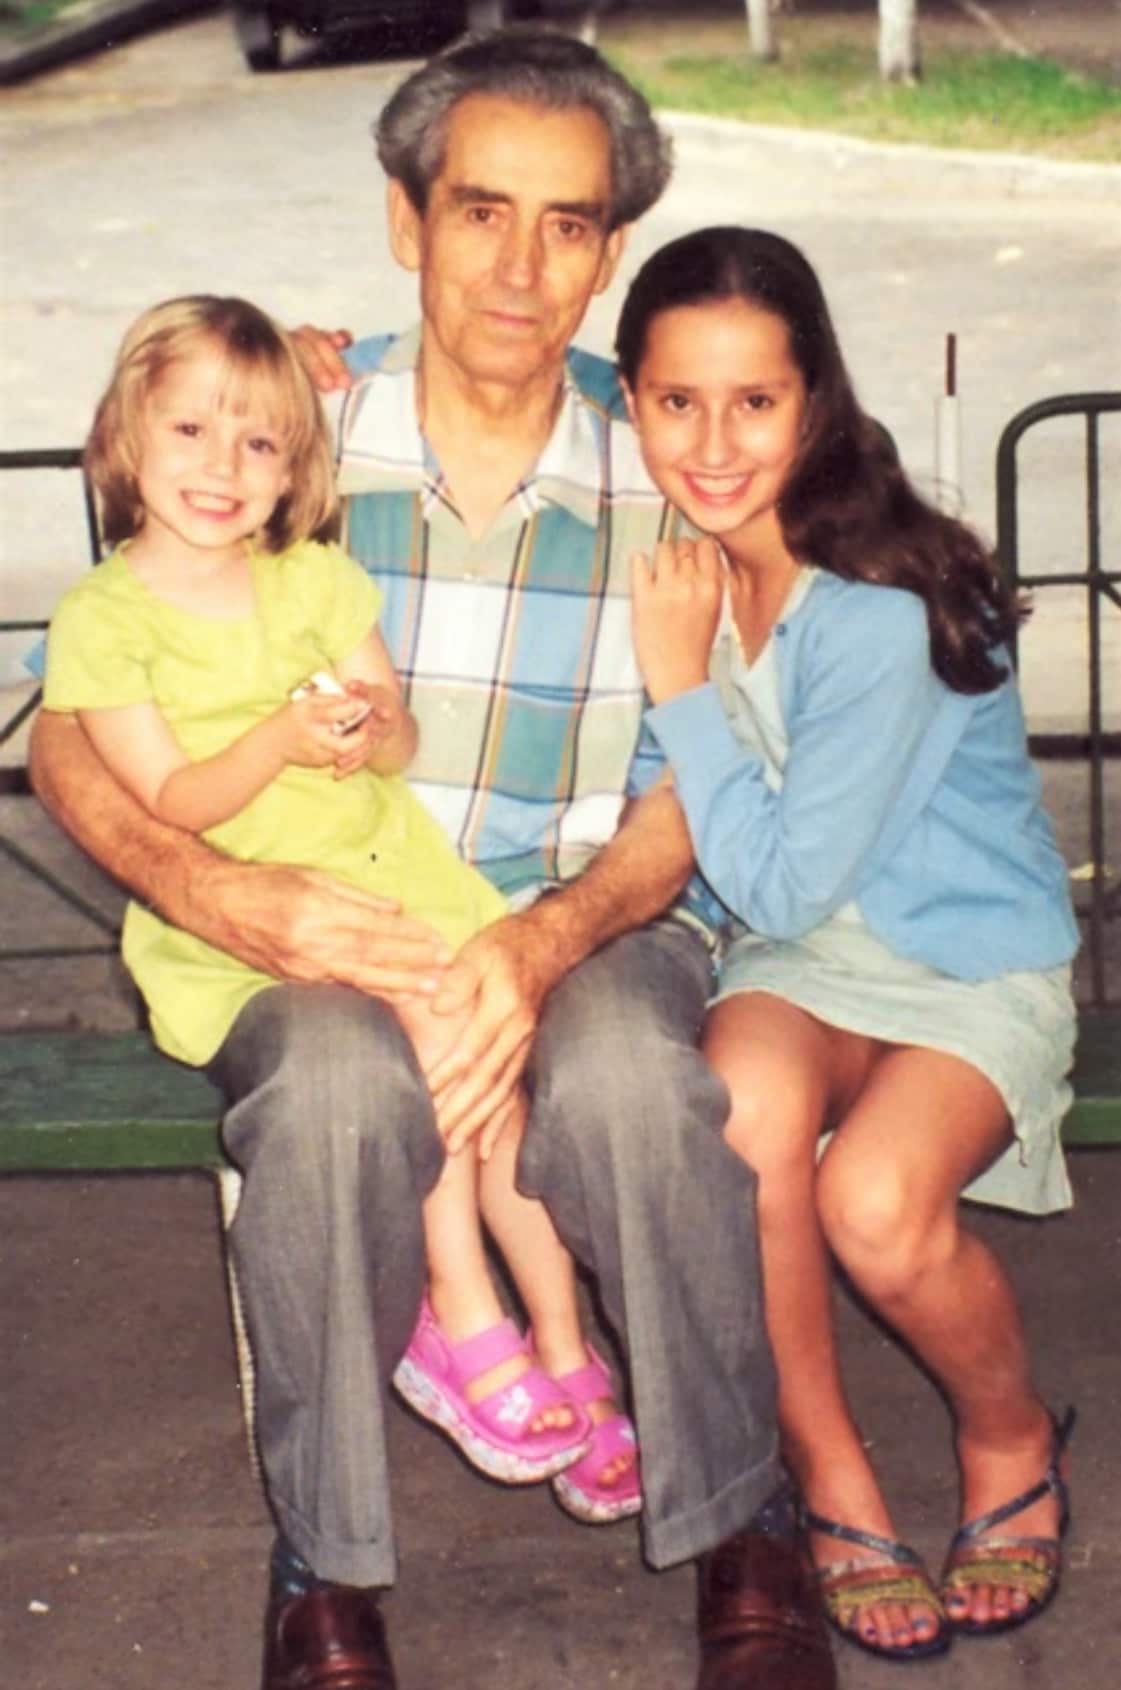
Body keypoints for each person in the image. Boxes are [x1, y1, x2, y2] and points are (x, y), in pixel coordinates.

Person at [29, 34, 835, 1690]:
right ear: (405, 221)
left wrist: (537, 950)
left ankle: (741, 1519)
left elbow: (700, 789)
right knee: (331, 1099)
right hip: (304, 923)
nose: (520, 267)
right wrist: (206, 888)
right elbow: (68, 727)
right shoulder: (282, 432)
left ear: (609, 251)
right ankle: (328, 1568)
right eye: (480, 213)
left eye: (566, 225)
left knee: (623, 1084)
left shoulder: (671, 470)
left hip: (585, 914)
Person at [42, 292, 643, 1515]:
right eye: (192, 431)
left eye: (259, 443)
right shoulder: (103, 618)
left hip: (393, 868)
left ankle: (567, 1345)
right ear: (126, 436)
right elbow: (177, 798)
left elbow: (393, 733)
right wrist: (278, 733)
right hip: (251, 914)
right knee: (434, 1056)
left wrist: (368, 728)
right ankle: (456, 1317)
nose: (223, 467)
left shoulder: (313, 577)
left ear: (292, 467)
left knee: (497, 1074)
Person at [617, 224, 1078, 1666]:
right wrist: (337, 364)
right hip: (808, 973)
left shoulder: (868, 604)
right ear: (630, 399)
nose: (711, 440)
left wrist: (679, 685)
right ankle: (833, 1478)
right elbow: (544, 363)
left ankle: (1007, 1437)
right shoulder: (699, 551)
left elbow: (789, 874)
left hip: (961, 965)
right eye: (675, 400)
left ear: (813, 398)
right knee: (740, 1112)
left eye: (754, 401)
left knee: (874, 1203)